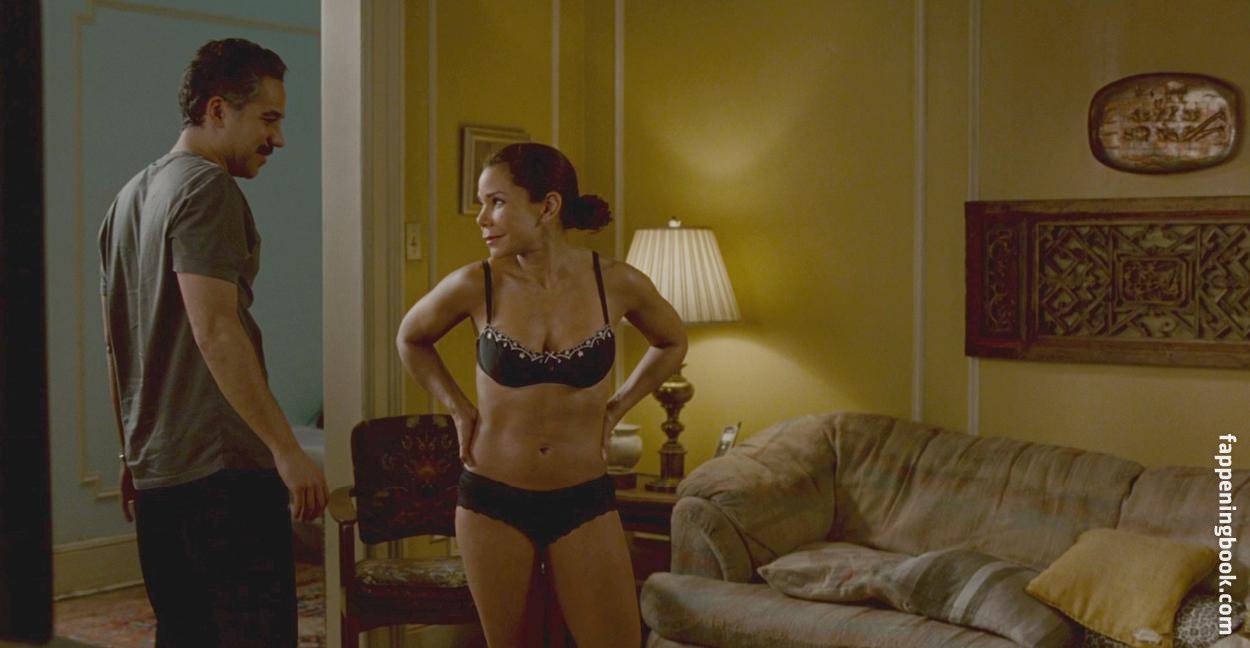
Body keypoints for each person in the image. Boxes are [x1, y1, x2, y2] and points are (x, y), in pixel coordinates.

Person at [396, 143, 688, 646]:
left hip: (584, 499)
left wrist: (618, 406)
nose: (482, 219)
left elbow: (672, 341)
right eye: (482, 204)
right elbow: (411, 338)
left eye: (497, 202)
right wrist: (458, 409)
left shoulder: (615, 282)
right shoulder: (476, 284)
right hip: (492, 499)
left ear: (548, 206)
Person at [98, 38, 327, 647]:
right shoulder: (208, 189)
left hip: (160, 469)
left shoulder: (128, 199)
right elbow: (216, 328)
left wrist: (130, 452)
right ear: (218, 110)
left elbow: (120, 342)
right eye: (268, 119)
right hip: (221, 471)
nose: (278, 139)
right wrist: (286, 449)